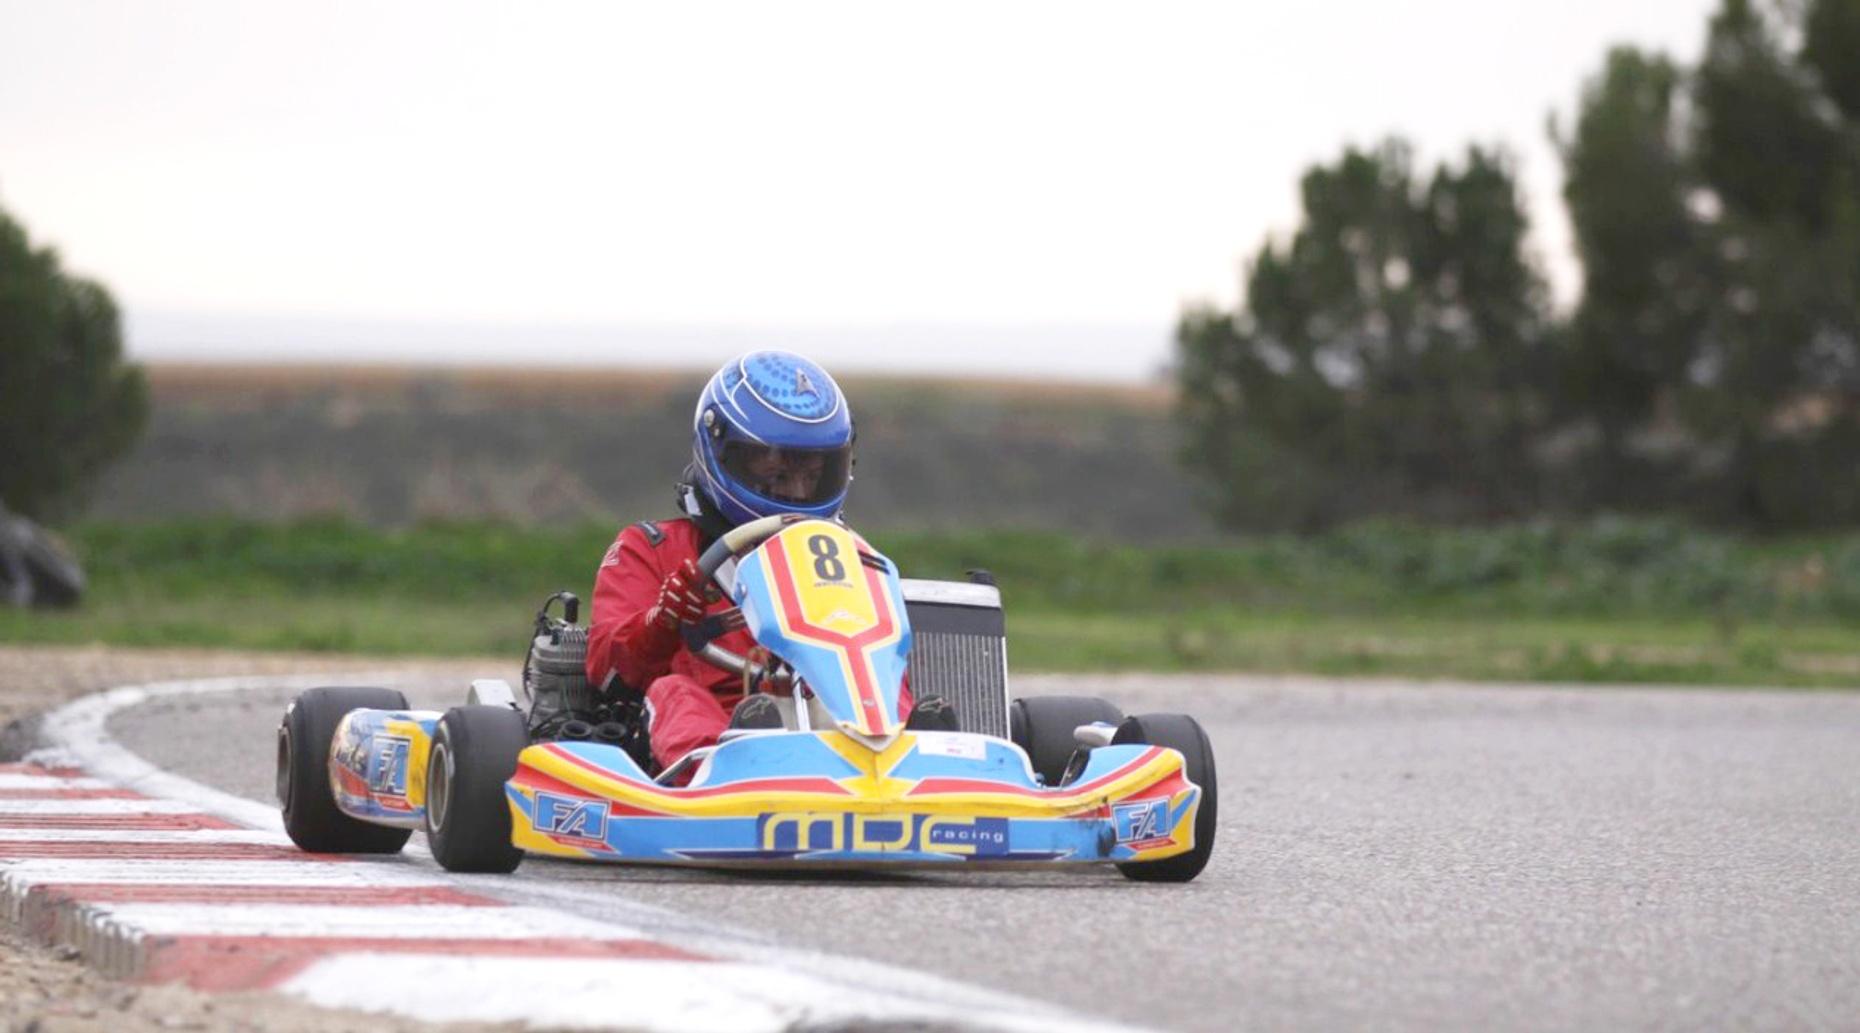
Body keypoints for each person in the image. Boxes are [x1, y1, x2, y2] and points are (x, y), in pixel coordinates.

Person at [585, 351, 945, 775]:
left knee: (881, 684)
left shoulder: (846, 555)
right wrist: (661, 622)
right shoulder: (652, 548)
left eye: (811, 476)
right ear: (721, 454)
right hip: (713, 731)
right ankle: (731, 772)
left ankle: (915, 754)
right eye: (777, 475)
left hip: (829, 722)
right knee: (673, 691)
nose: (795, 492)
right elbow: (608, 676)